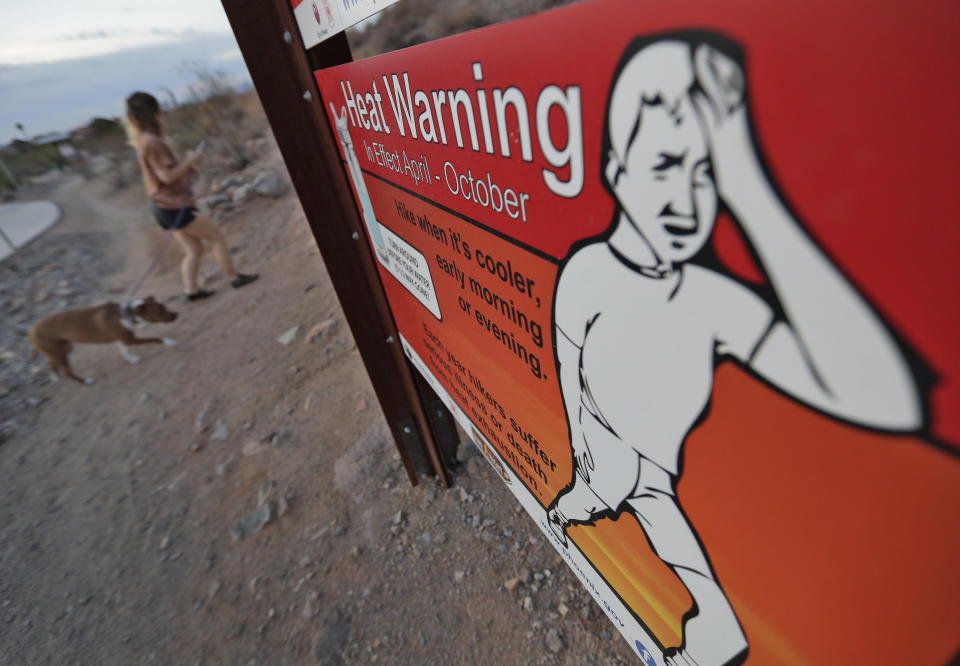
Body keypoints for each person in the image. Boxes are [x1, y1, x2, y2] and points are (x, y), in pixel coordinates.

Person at [546, 32, 924, 666]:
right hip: (605, 458)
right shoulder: (585, 274)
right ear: (617, 170)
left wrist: (747, 181)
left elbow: (885, 397)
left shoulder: (711, 302)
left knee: (711, 605)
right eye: (666, 165)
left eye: (707, 173)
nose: (688, 201)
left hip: (658, 477)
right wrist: (585, 453)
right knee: (585, 507)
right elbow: (566, 359)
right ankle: (564, 514)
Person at [125, 91, 257, 300]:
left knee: (194, 249)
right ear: (154, 114)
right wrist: (190, 160)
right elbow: (166, 176)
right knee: (217, 238)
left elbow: (163, 174)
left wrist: (183, 167)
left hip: (162, 208)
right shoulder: (153, 142)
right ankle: (235, 278)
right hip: (174, 207)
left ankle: (191, 291)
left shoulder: (143, 140)